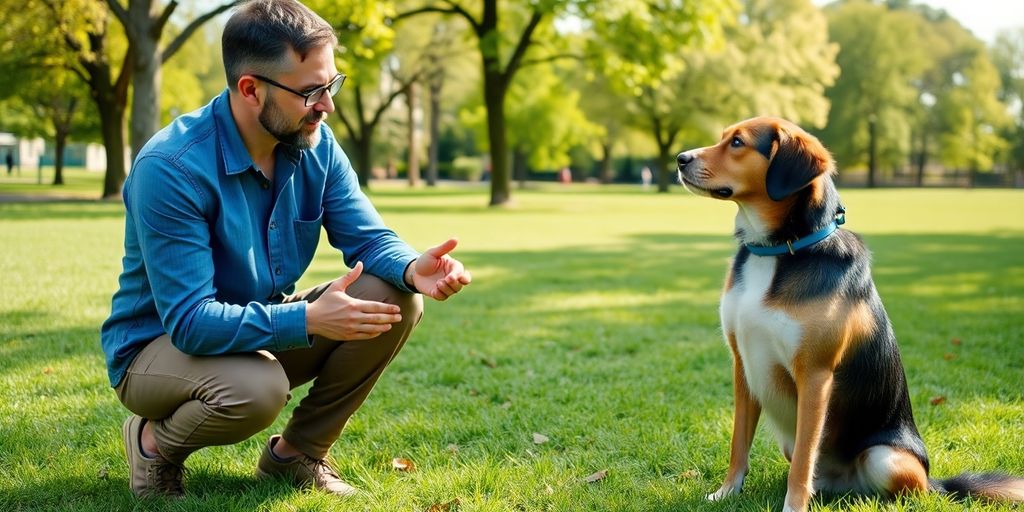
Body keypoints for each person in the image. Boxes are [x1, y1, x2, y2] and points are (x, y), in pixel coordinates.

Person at [100, 0, 471, 500]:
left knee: (394, 299)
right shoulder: (171, 168)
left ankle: (296, 456)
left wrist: (411, 267)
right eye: (312, 91)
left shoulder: (315, 142)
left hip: (254, 331)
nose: (327, 105)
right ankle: (152, 443)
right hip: (158, 348)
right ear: (251, 89)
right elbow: (189, 321)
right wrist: (310, 320)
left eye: (331, 85)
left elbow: (367, 237)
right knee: (257, 389)